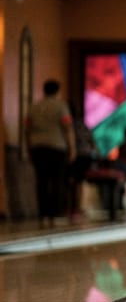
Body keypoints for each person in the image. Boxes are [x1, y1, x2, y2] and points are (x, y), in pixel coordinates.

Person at [25, 79, 77, 227]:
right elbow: (67, 129)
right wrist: (72, 149)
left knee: (41, 181)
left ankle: (43, 212)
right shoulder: (61, 106)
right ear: (57, 91)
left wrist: (29, 149)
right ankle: (55, 213)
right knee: (57, 181)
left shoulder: (33, 107)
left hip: (37, 148)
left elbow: (27, 130)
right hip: (57, 148)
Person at [67, 113, 97, 220]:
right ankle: (78, 207)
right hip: (85, 156)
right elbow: (92, 142)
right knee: (79, 182)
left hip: (72, 156)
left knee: (72, 182)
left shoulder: (69, 125)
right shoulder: (84, 126)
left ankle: (71, 207)